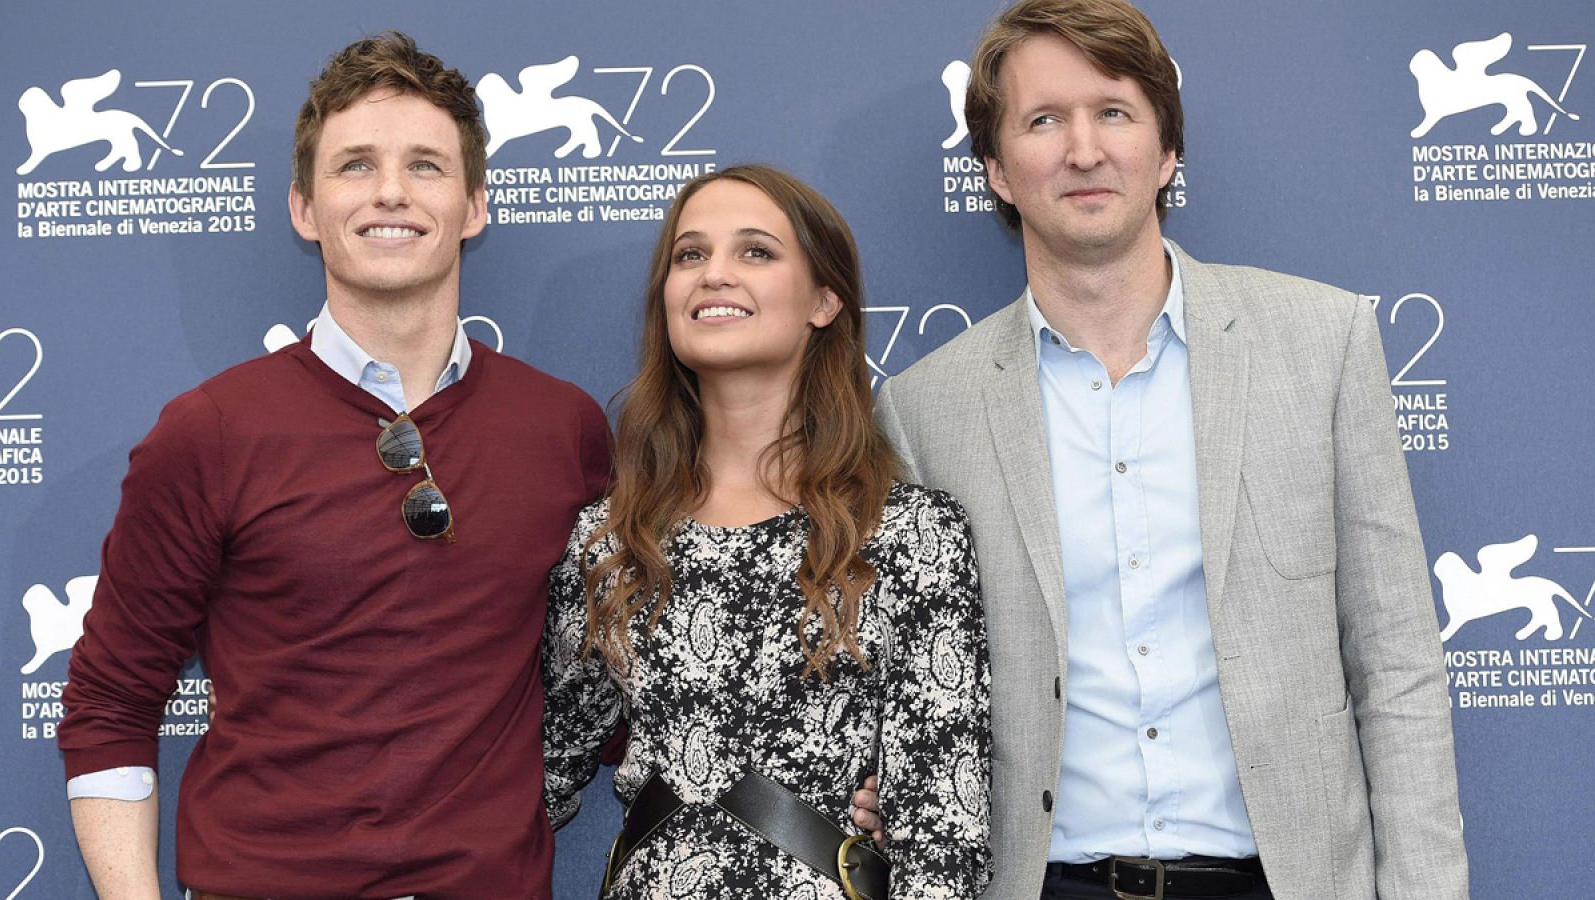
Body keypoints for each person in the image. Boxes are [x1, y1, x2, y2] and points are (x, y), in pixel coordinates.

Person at [859, 1, 1470, 898]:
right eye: (1042, 120)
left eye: (1114, 111)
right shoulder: (921, 412)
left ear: (1167, 150)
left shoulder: (1322, 342)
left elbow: (1398, 665)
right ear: (994, 169)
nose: (1083, 149)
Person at [58, 33, 609, 899]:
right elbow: (110, 702)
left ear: (475, 206)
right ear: (304, 209)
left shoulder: (563, 428)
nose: (391, 190)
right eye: (355, 165)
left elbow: (630, 676)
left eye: (426, 165)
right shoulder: (209, 432)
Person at [539, 165, 992, 899]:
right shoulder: (610, 542)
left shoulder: (913, 535)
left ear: (824, 299)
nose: (714, 274)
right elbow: (539, 770)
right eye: (690, 255)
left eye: (755, 252)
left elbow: (946, 835)